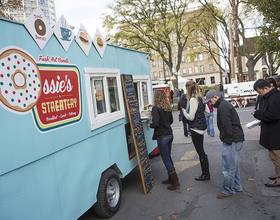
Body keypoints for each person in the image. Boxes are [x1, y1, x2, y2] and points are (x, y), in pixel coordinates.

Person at [204, 90, 245, 199]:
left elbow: (227, 126)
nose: (210, 104)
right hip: (236, 138)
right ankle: (236, 186)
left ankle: (228, 190)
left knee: (228, 166)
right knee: (233, 165)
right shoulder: (224, 105)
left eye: (210, 101)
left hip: (233, 140)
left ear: (215, 97)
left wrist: (228, 140)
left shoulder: (223, 107)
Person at [150, 90, 180, 190]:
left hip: (162, 136)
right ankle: (170, 178)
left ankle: (175, 181)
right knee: (168, 157)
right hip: (170, 134)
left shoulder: (155, 108)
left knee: (166, 158)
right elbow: (171, 121)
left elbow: (156, 123)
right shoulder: (168, 107)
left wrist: (150, 125)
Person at [253, 79, 280, 187]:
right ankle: (278, 175)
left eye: (260, 92)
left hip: (275, 133)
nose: (260, 95)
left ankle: (279, 178)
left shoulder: (275, 98)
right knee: (274, 157)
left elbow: (274, 115)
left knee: (277, 157)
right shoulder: (269, 97)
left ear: (267, 88)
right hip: (271, 132)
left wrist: (259, 115)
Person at [181, 80, 210, 181]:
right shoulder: (200, 97)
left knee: (200, 152)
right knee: (201, 151)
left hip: (195, 129)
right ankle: (206, 173)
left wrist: (184, 111)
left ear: (189, 89)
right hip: (201, 127)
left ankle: (205, 174)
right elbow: (207, 111)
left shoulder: (193, 100)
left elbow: (191, 117)